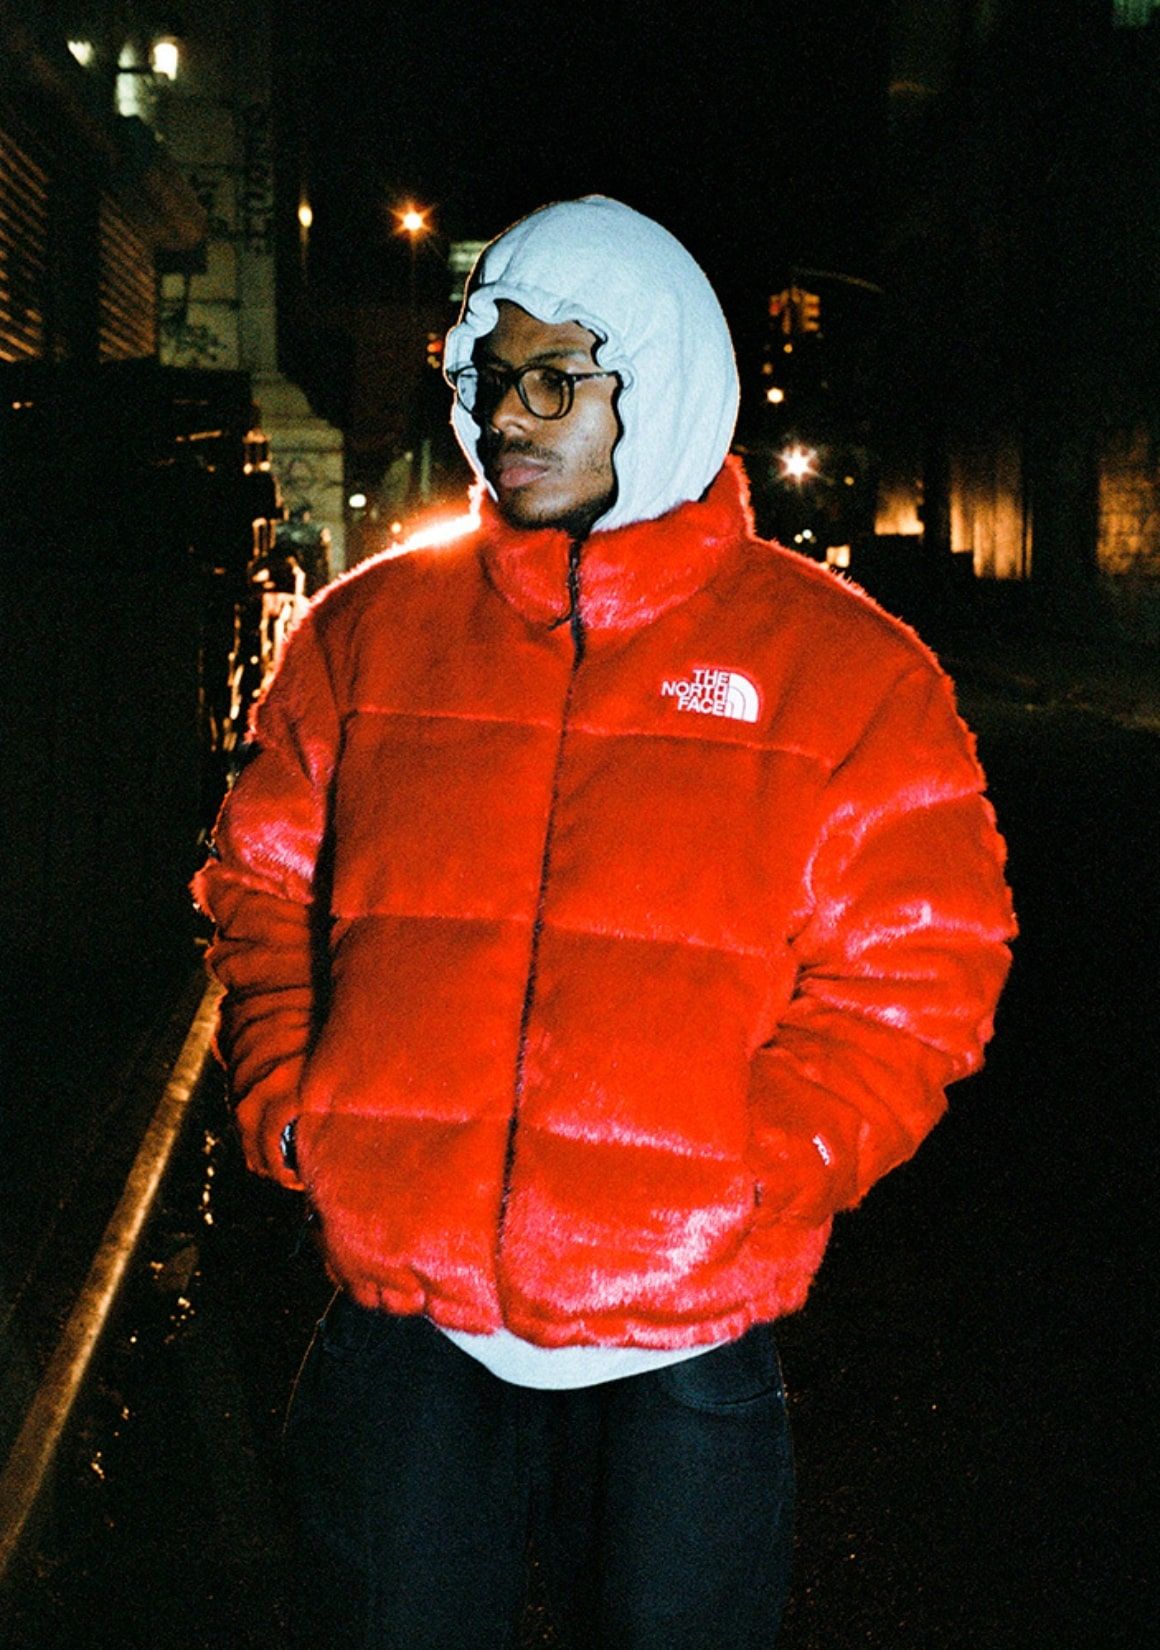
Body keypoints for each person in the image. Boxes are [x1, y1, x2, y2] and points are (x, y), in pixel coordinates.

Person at [194, 196, 1015, 1650]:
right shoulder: (368, 638)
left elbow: (924, 971)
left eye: (555, 379)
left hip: (685, 1330)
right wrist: (294, 1096)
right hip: (408, 1314)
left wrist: (752, 1174)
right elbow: (264, 886)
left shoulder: (845, 672)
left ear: (664, 379)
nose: (506, 417)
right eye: (487, 377)